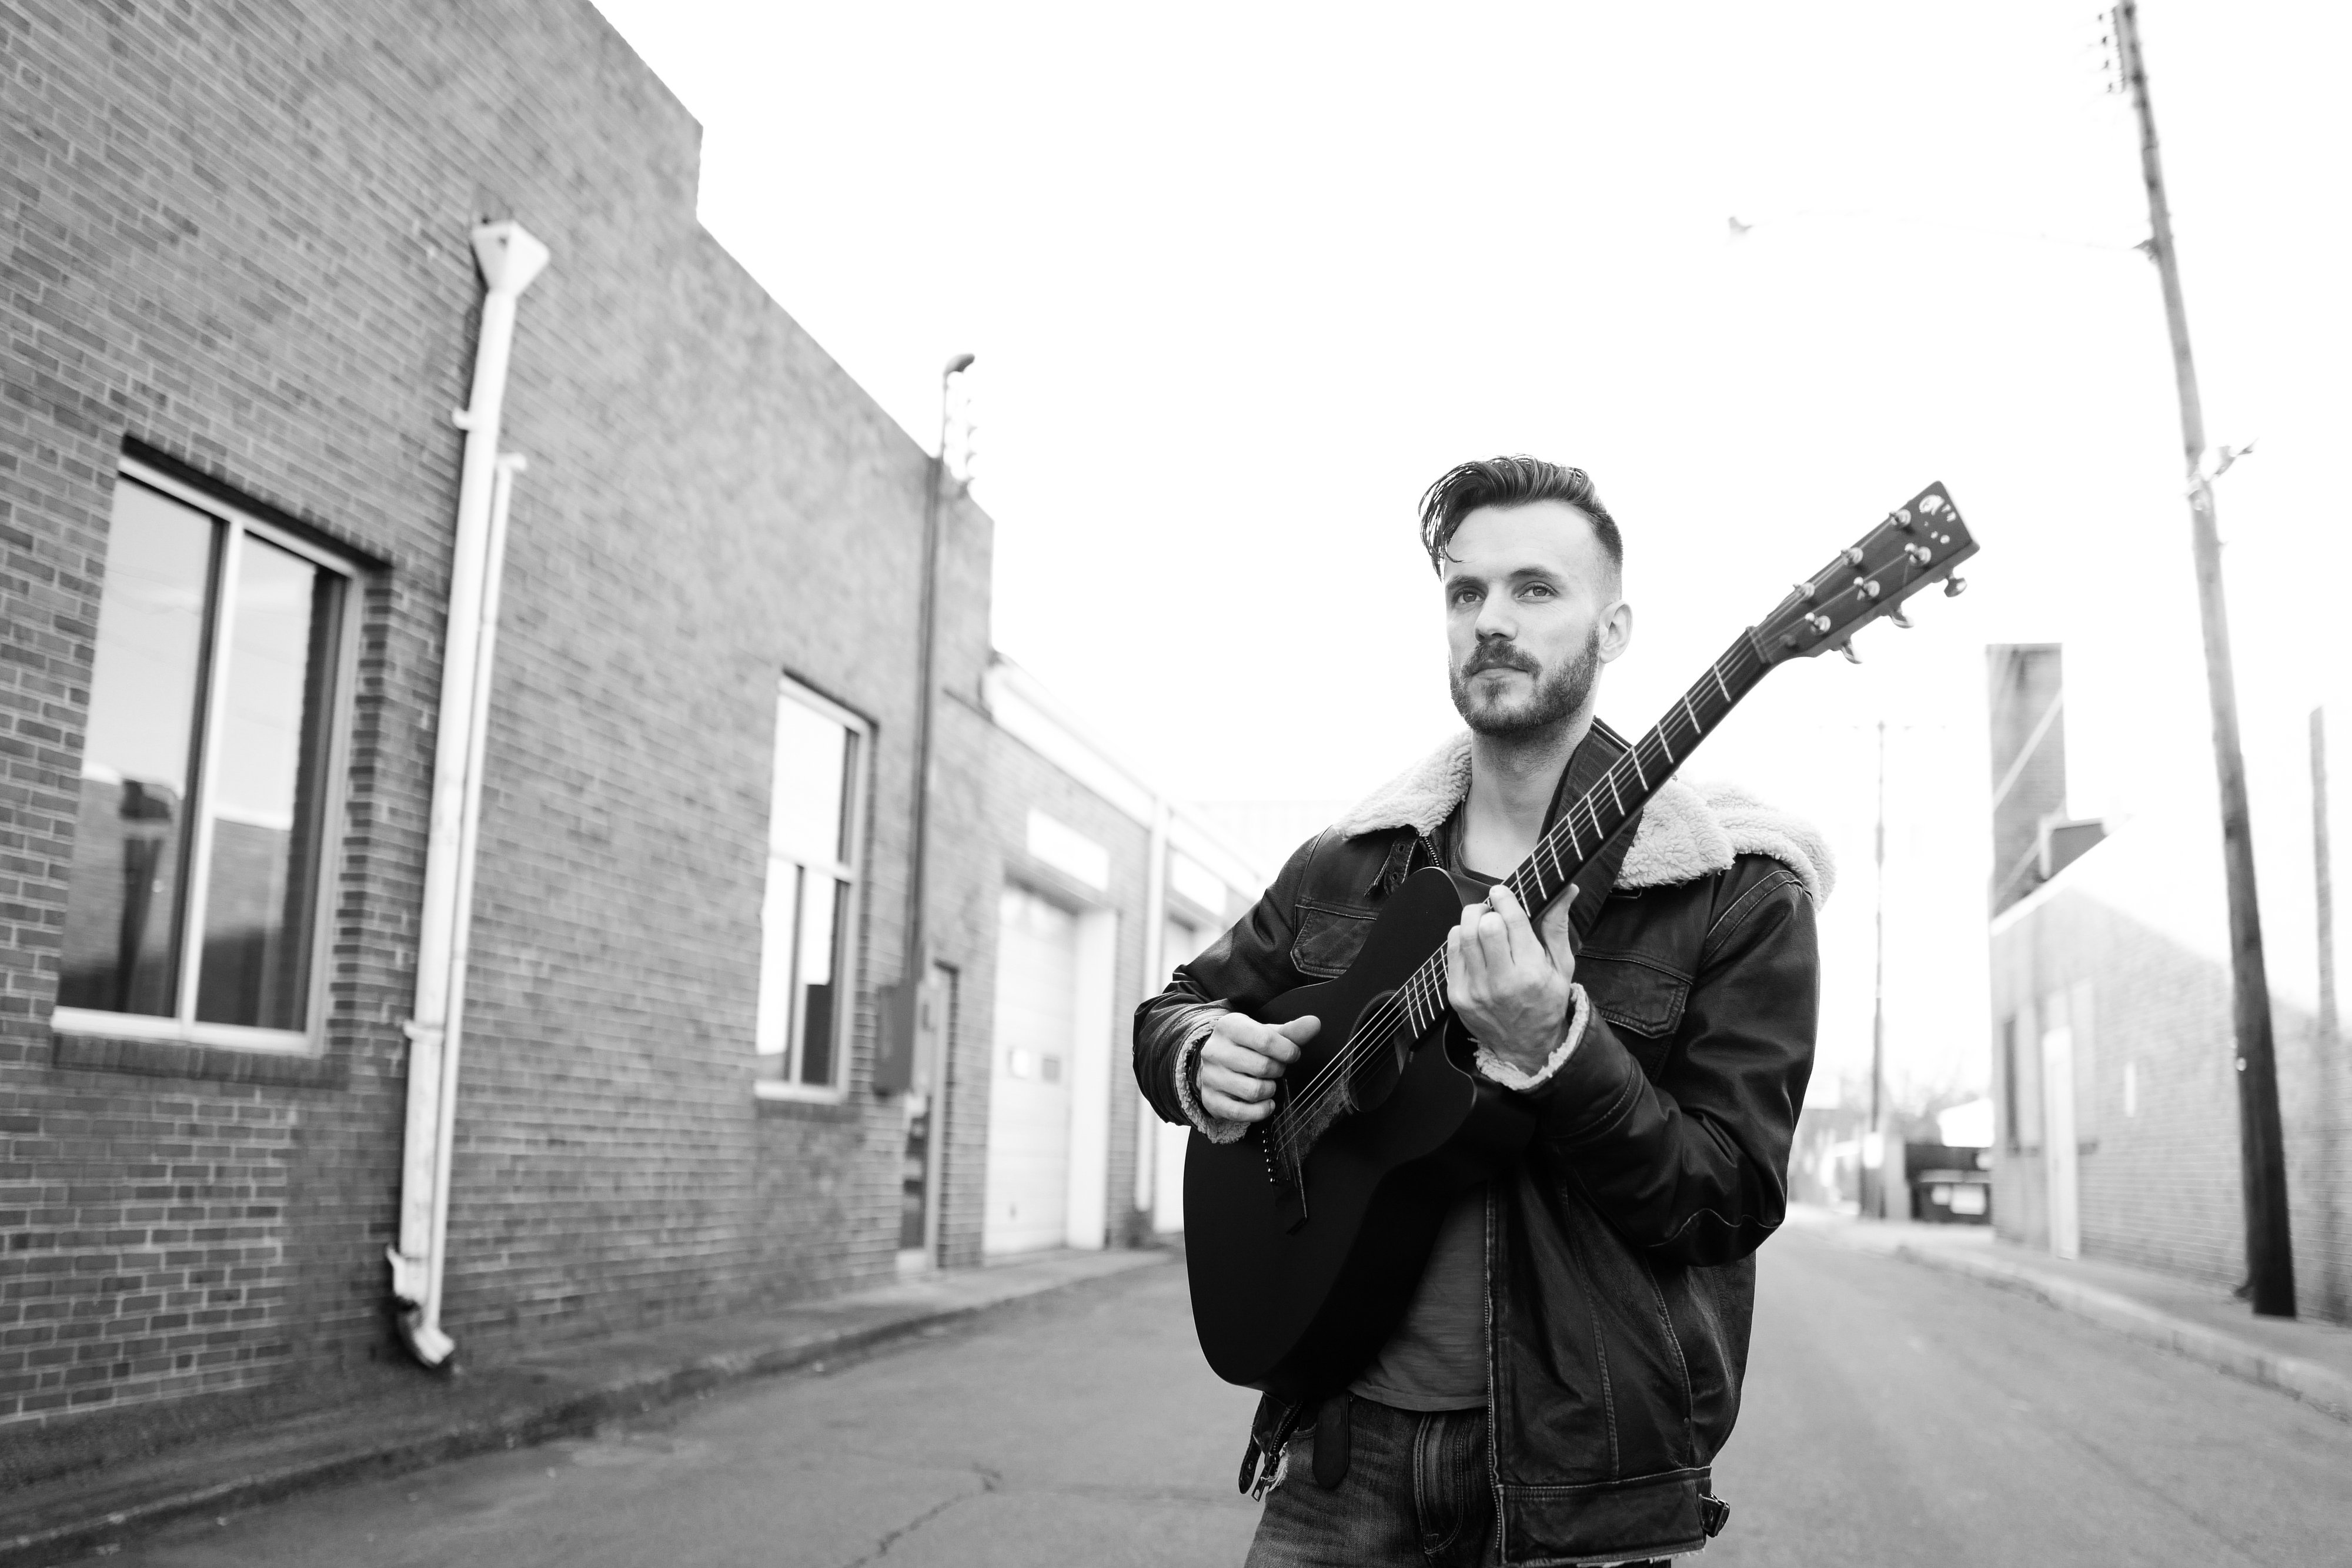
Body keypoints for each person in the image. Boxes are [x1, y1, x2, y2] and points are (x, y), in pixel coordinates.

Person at [1133, 457, 1829, 1567]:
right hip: (1339, 1452)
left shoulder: (1734, 890)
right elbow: (1176, 1007)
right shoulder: (1350, 862)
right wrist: (1199, 1051)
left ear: (1613, 630)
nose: (1491, 620)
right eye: (1467, 593)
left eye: (1535, 588)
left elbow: (1726, 1199)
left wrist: (1559, 1052)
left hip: (1571, 1484)